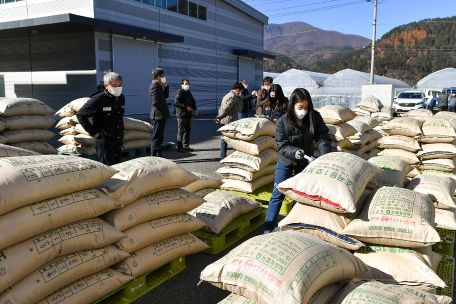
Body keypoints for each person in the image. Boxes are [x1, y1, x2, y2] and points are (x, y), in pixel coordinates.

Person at [263, 88, 332, 234]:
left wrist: (325, 156)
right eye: (300, 107)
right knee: (278, 193)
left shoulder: (314, 117)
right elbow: (282, 145)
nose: (304, 111)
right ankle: (268, 228)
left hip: (305, 162)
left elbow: (322, 137)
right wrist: (294, 152)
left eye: (306, 107)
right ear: (293, 105)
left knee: (300, 195)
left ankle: (294, 226)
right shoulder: (282, 122)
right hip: (285, 162)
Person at [77, 72, 125, 166]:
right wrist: (93, 132)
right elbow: (81, 115)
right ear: (106, 86)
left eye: (120, 85)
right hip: (105, 140)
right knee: (106, 167)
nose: (118, 88)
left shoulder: (121, 98)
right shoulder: (98, 99)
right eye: (114, 85)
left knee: (118, 166)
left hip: (117, 139)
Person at [215, 82, 244, 159]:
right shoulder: (233, 97)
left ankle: (224, 156)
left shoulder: (227, 95)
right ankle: (233, 156)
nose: (241, 93)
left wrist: (219, 117)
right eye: (241, 91)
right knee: (231, 138)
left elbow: (221, 108)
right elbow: (225, 109)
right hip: (229, 121)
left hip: (225, 120)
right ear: (237, 90)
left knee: (225, 139)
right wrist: (219, 116)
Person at [149, 68, 170, 157]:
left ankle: (159, 156)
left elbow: (166, 96)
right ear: (158, 77)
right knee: (156, 138)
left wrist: (166, 87)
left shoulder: (159, 86)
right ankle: (153, 157)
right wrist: (164, 112)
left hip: (161, 116)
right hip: (158, 116)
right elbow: (155, 103)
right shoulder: (154, 87)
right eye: (162, 76)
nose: (164, 77)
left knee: (160, 138)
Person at [174, 79, 197, 152]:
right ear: (182, 85)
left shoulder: (189, 93)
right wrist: (185, 107)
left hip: (188, 115)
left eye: (188, 84)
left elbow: (193, 101)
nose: (187, 85)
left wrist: (195, 109)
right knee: (181, 131)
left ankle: (186, 145)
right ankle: (180, 147)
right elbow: (176, 103)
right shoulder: (179, 93)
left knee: (187, 131)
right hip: (182, 115)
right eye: (185, 84)